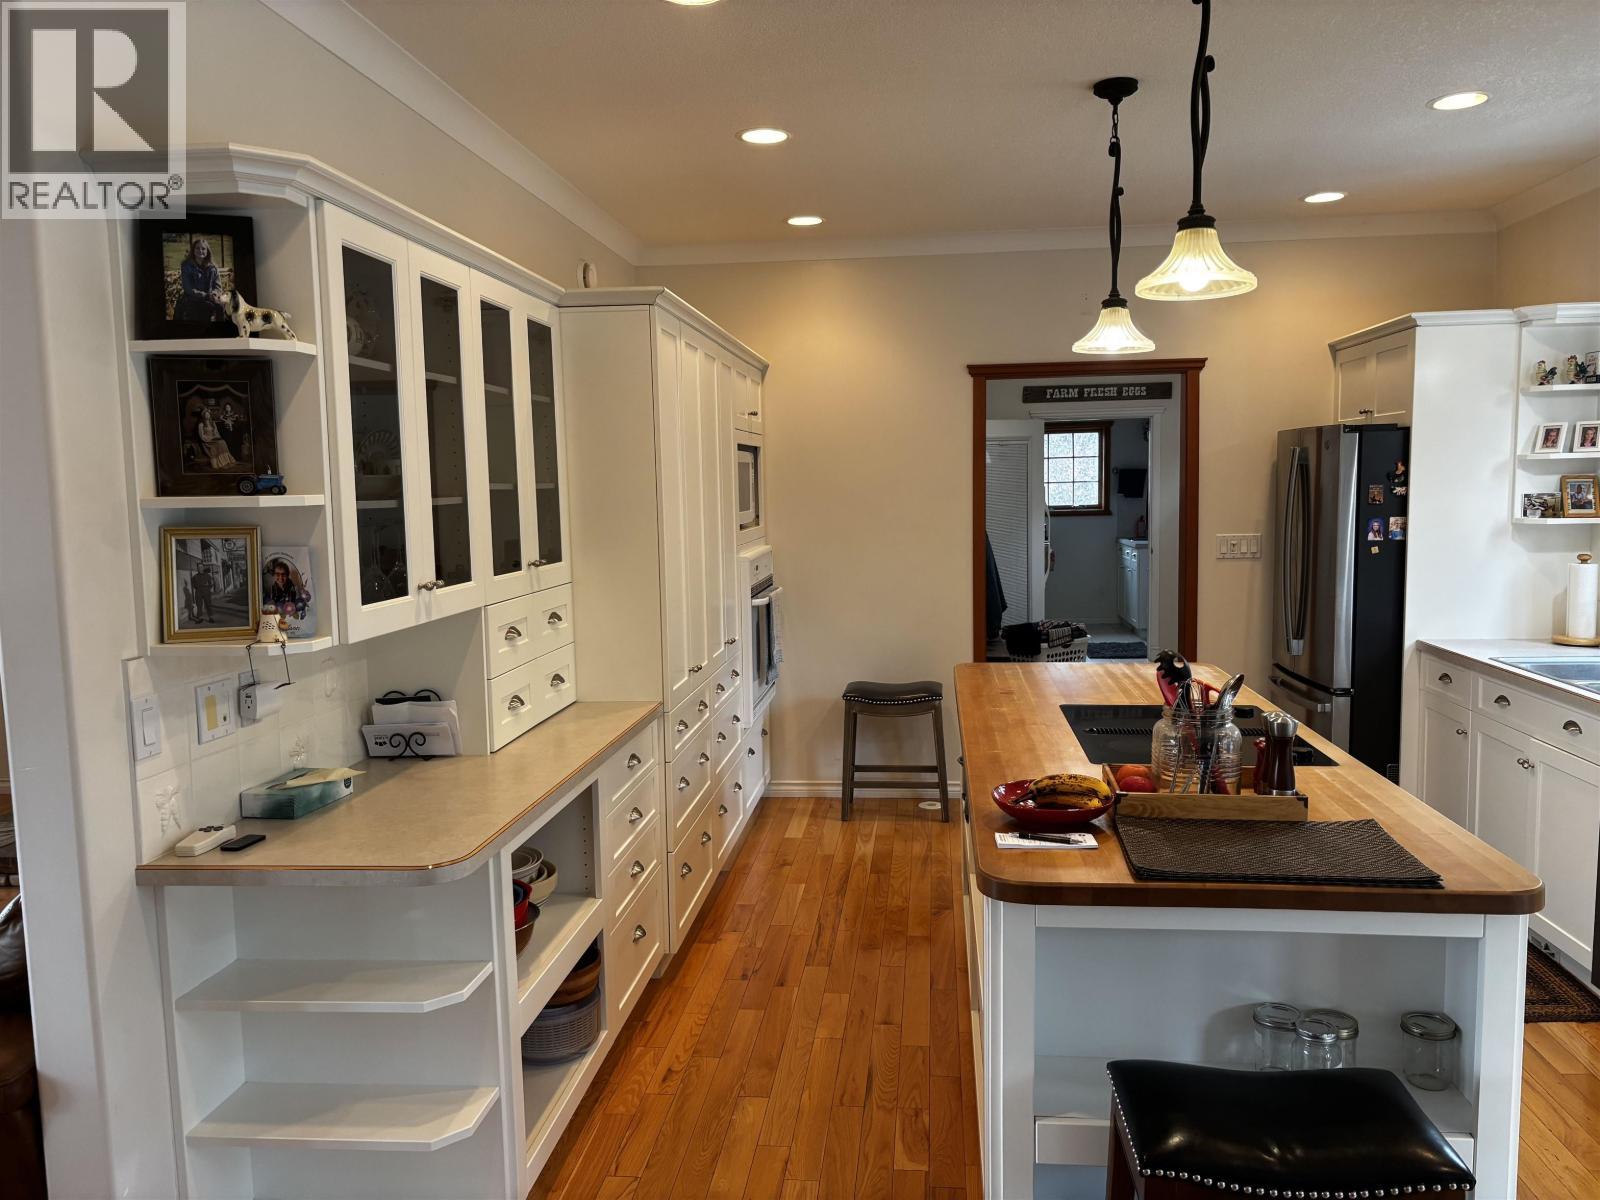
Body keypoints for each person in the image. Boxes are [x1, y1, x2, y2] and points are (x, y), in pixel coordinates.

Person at [174, 237, 225, 323]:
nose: (200, 251)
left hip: (209, 298)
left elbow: (218, 287)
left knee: (221, 306)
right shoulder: (186, 266)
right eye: (197, 248)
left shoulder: (213, 267)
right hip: (192, 298)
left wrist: (214, 294)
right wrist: (205, 295)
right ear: (193, 250)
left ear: (207, 251)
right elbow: (188, 288)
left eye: (203, 249)